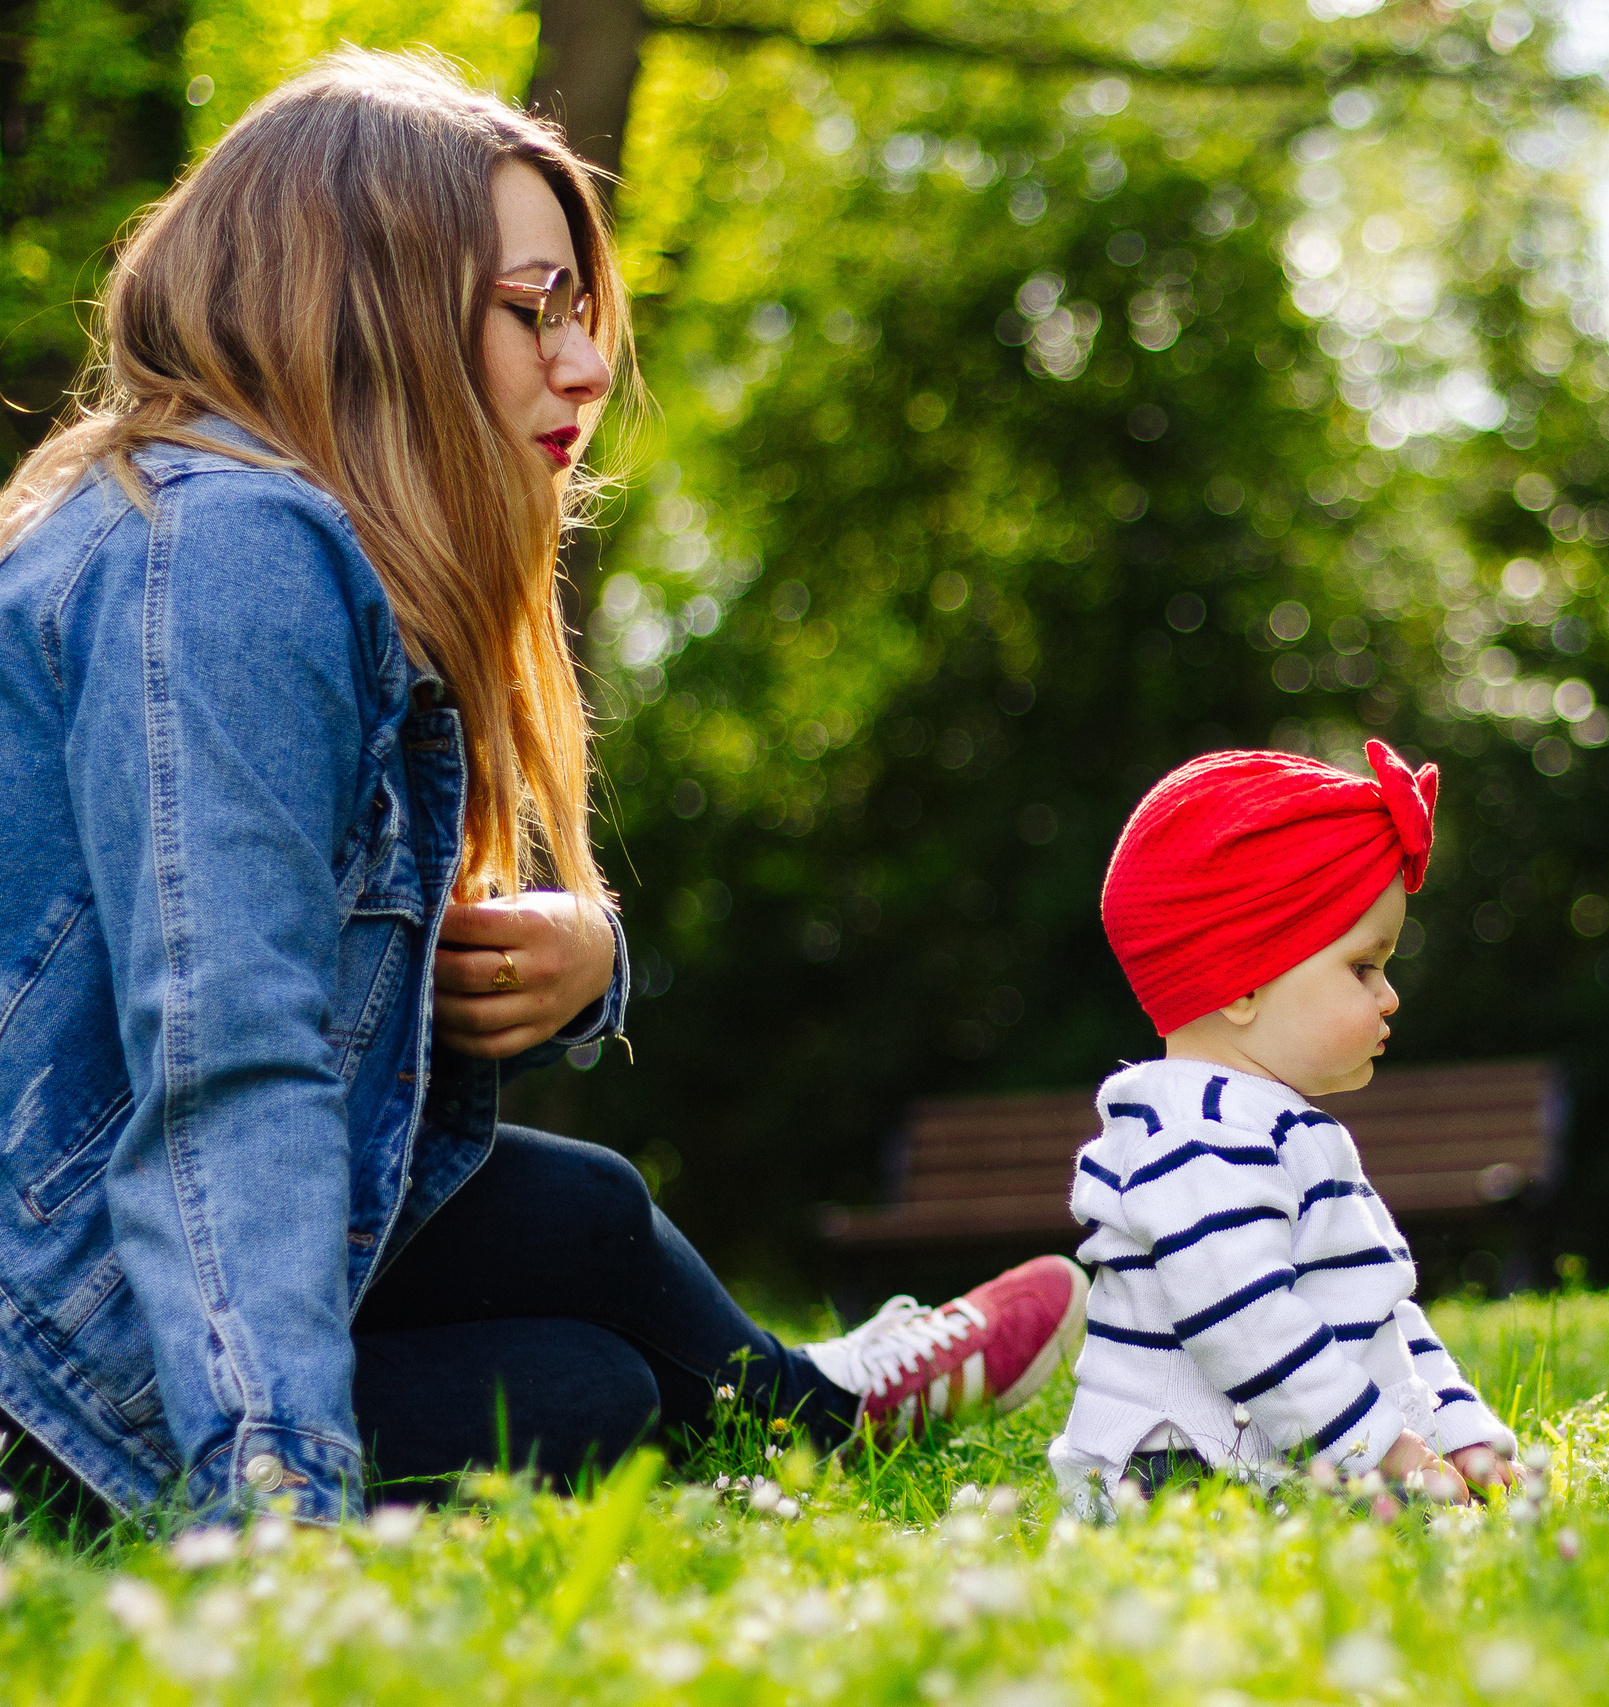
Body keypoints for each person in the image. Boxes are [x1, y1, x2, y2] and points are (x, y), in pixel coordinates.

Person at [0, 50, 1081, 1526]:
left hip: (83, 1271)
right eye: (531, 312)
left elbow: (358, 1007)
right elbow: (229, 1057)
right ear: (358, 303)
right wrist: (273, 1494)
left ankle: (819, 1405)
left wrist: (579, 955)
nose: (583, 366)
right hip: (43, 1366)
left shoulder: (245, 530)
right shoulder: (232, 557)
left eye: (579, 312)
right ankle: (812, 1415)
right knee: (586, 1393)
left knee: (584, 1213)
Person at [1048, 739, 1518, 1514]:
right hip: (1184, 1473)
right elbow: (1243, 1321)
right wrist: (1387, 1449)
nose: (1389, 995)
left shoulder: (1273, 1124)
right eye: (1364, 967)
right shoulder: (1197, 1135)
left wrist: (1461, 1430)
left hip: (1284, 1452)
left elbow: (1377, 1312)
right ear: (1242, 983)